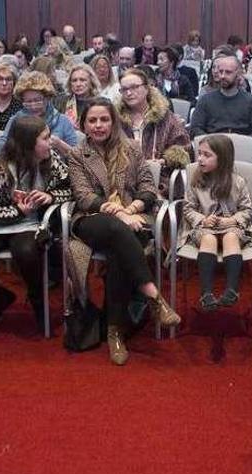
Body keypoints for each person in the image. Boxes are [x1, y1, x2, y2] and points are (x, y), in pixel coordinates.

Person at [67, 98, 181, 365]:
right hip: (92, 219)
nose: (98, 125)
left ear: (113, 121)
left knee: (120, 248)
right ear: (83, 124)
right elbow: (83, 196)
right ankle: (154, 296)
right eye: (92, 120)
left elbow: (148, 188)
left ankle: (114, 331)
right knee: (117, 229)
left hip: (132, 217)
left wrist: (132, 209)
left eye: (104, 119)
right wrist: (119, 213)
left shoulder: (131, 148)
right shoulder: (77, 154)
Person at [0, 115, 71, 329]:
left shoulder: (52, 160)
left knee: (27, 252)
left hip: (31, 224)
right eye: (45, 138)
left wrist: (51, 197)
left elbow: (71, 189)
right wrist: (16, 211)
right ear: (28, 143)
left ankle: (38, 300)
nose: (51, 142)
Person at [182, 135, 252, 310]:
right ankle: (206, 293)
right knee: (208, 239)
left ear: (222, 158)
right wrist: (203, 219)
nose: (200, 158)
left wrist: (232, 220)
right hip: (205, 227)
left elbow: (247, 210)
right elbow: (188, 209)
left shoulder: (237, 181)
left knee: (231, 237)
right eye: (199, 154)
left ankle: (232, 289)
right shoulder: (196, 181)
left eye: (207, 155)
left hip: (231, 225)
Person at [116, 68, 192, 197]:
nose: (129, 93)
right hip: (123, 180)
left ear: (147, 88)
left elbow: (184, 147)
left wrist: (164, 160)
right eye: (124, 89)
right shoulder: (115, 119)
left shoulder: (165, 117)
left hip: (159, 179)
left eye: (134, 87)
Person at [0, 71, 77, 155]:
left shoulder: (62, 121)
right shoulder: (16, 120)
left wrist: (59, 144)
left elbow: (78, 157)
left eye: (38, 100)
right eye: (28, 102)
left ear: (48, 98)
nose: (33, 106)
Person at [190, 56, 252, 138]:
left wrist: (247, 142)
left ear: (238, 74)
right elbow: (195, 128)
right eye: (221, 71)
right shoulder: (206, 100)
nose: (222, 76)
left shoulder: (250, 101)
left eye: (228, 72)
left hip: (242, 144)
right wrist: (210, 142)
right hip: (212, 145)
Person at [61, 63, 100, 128]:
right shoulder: (61, 102)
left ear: (91, 82)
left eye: (82, 80)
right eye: (74, 80)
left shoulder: (100, 102)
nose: (78, 84)